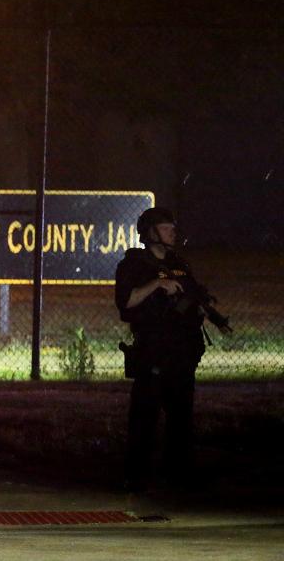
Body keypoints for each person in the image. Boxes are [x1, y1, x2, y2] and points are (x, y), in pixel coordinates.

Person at [115, 207, 230, 492]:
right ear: (151, 232)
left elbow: (196, 295)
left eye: (172, 228)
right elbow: (126, 303)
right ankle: (137, 476)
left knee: (181, 417)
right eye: (167, 228)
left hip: (182, 352)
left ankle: (178, 475)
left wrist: (212, 312)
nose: (173, 233)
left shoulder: (179, 263)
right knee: (145, 416)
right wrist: (157, 284)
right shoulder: (134, 265)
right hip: (153, 351)